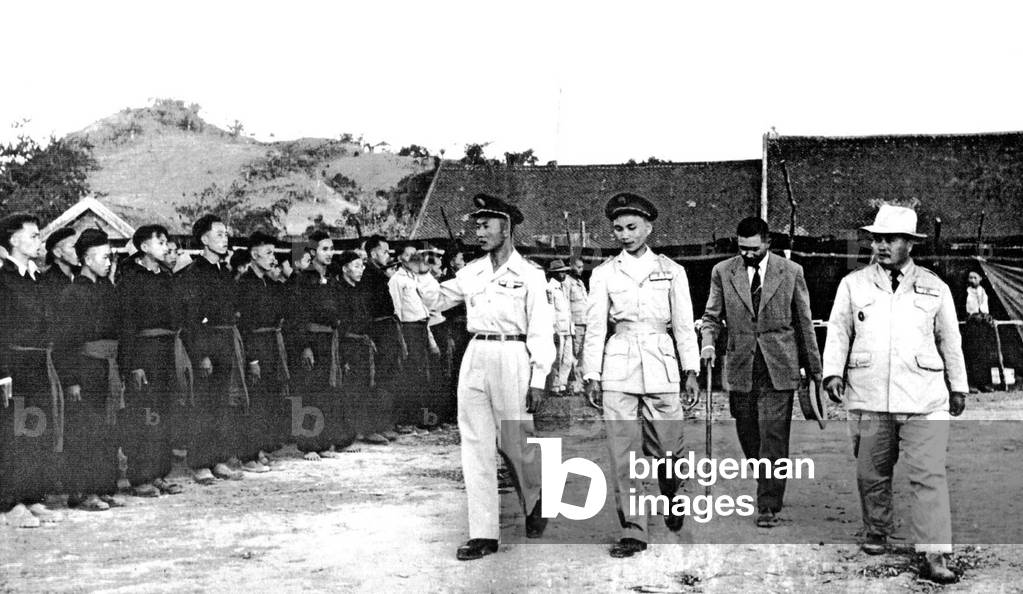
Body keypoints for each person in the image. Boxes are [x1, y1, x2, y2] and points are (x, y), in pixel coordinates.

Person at [822, 204, 967, 584]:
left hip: (924, 396)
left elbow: (950, 340)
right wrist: (832, 373)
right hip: (868, 395)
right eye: (878, 239)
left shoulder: (936, 287)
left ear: (909, 244)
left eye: (891, 239)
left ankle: (933, 553)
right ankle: (877, 529)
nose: (882, 246)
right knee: (871, 472)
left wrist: (959, 386)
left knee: (929, 475)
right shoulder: (853, 284)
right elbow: (838, 333)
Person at [434, 193, 555, 561]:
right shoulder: (472, 271)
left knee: (517, 440)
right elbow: (435, 300)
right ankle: (483, 534)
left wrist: (539, 377)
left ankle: (537, 501)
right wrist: (421, 274)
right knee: (475, 445)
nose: (479, 231)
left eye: (487, 225)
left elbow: (540, 329)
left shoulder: (530, 275)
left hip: (513, 354)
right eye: (477, 225)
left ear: (508, 227)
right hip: (477, 354)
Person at [582, 192, 701, 558]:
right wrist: (592, 373)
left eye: (632, 227)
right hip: (618, 365)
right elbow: (595, 327)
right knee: (623, 453)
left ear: (649, 227)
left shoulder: (671, 270)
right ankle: (633, 529)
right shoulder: (603, 273)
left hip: (662, 364)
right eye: (617, 229)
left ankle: (670, 493)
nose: (624, 235)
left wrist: (691, 369)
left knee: (668, 449)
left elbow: (683, 325)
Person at [700, 216, 822, 527]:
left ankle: (767, 502)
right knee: (748, 433)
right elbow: (711, 316)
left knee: (773, 434)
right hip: (741, 364)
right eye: (742, 249)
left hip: (779, 364)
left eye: (754, 249)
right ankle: (765, 479)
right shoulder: (723, 272)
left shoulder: (792, 271)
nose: (748, 255)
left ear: (767, 242)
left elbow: (804, 323)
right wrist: (708, 343)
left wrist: (815, 370)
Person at [52, 229, 125, 511]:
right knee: (85, 430)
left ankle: (103, 487)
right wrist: (71, 381)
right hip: (84, 368)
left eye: (110, 256)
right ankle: (81, 492)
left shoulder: (108, 288)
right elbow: (64, 341)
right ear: (85, 258)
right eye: (104, 257)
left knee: (108, 427)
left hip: (108, 366)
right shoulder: (72, 293)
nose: (109, 262)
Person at [117, 225, 188, 496]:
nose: (166, 246)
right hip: (143, 353)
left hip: (167, 351)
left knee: (165, 411)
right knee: (144, 414)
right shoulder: (130, 279)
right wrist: (133, 364)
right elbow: (125, 324)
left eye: (166, 242)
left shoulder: (167, 277)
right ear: (144, 247)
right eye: (160, 242)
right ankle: (140, 476)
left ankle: (160, 473)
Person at [176, 215, 248, 483]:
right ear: (204, 239)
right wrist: (202, 354)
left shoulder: (225, 273)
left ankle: (218, 459)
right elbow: (192, 320)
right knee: (203, 405)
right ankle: (200, 463)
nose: (225, 238)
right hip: (204, 345)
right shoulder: (193, 274)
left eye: (226, 234)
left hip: (225, 342)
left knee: (221, 403)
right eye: (219, 234)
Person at [0, 214, 64, 513]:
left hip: (39, 363)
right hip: (15, 366)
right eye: (34, 235)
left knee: (37, 430)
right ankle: (13, 504)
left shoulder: (37, 278)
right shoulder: (4, 279)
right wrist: (3, 373)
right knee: (16, 434)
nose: (40, 241)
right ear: (13, 240)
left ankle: (32, 497)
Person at [287, 231, 354, 459]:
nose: (329, 253)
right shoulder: (302, 279)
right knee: (309, 391)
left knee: (328, 392)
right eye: (325, 249)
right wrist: (305, 346)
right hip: (311, 340)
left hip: (330, 340)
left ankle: (324, 443)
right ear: (313, 252)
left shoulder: (332, 279)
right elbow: (297, 315)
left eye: (331, 249)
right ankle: (308, 445)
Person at [236, 232, 289, 470]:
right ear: (254, 255)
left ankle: (258, 449)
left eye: (273, 253)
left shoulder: (268, 282)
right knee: (253, 402)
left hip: (271, 343)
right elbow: (245, 325)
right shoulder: (245, 284)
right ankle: (248, 455)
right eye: (268, 253)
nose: (272, 258)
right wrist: (253, 359)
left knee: (267, 400)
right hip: (255, 346)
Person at [335, 250, 388, 444]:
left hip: (362, 343)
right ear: (344, 268)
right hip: (346, 344)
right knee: (349, 388)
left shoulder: (360, 290)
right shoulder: (338, 290)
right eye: (356, 266)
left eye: (362, 265)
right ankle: (348, 432)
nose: (361, 270)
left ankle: (366, 429)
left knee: (366, 386)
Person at [388, 243, 441, 432]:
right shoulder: (397, 279)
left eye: (415, 255)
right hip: (407, 329)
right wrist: (400, 337)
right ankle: (405, 420)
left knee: (423, 374)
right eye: (408, 255)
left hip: (421, 327)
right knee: (410, 375)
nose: (413, 258)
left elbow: (428, 302)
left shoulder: (416, 278)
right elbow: (397, 309)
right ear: (401, 258)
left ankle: (423, 419)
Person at [362, 235, 401, 441]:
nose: (388, 256)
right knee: (377, 379)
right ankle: (371, 428)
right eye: (385, 252)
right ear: (373, 253)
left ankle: (383, 424)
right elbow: (368, 309)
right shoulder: (368, 275)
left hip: (387, 328)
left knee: (387, 378)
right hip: (377, 331)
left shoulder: (379, 274)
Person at [963, 270, 996, 392]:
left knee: (984, 354)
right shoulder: (965, 292)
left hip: (983, 326)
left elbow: (988, 308)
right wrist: (972, 316)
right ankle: (972, 384)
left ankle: (985, 383)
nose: (972, 280)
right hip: (971, 325)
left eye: (974, 278)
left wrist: (986, 316)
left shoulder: (984, 291)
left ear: (980, 278)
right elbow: (963, 309)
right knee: (972, 354)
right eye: (970, 278)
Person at [545, 259, 574, 395]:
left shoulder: (564, 287)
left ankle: (563, 385)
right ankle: (554, 386)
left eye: (564, 271)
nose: (563, 274)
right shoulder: (550, 288)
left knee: (567, 359)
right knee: (556, 359)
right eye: (560, 272)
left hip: (567, 328)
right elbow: (550, 311)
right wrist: (553, 330)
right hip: (557, 329)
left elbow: (567, 309)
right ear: (554, 274)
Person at [562, 258, 588, 393]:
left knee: (581, 354)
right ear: (571, 267)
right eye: (578, 267)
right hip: (575, 323)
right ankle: (571, 384)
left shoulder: (580, 283)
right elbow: (564, 304)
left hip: (584, 322)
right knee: (573, 353)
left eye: (582, 267)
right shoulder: (567, 282)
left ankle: (579, 383)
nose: (581, 269)